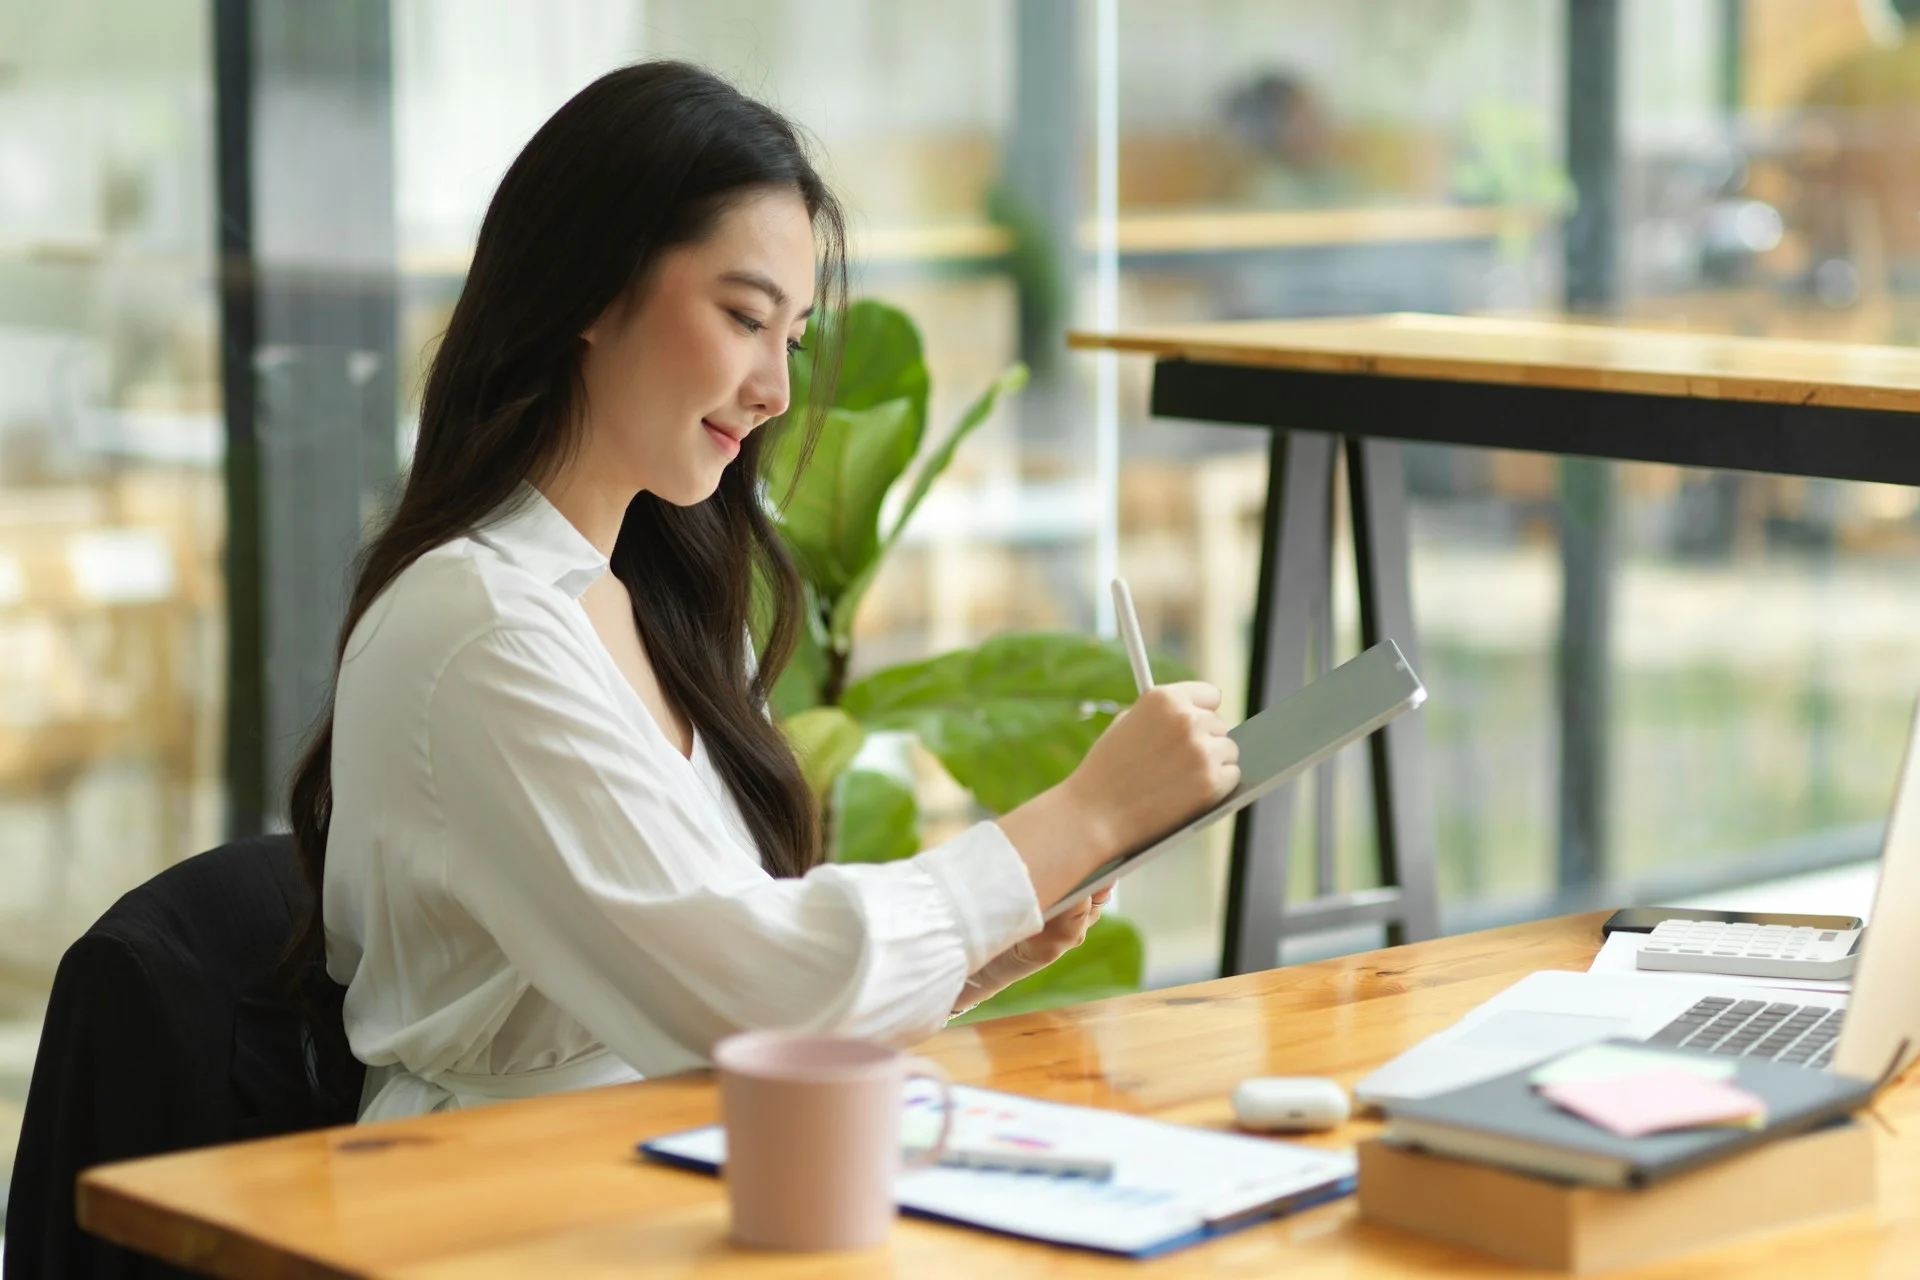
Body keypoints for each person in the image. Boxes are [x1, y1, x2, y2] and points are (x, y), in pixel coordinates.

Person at [282, 61, 1239, 1123]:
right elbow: (743, 995)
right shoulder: (478, 627)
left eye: (788, 340)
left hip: (672, 1148)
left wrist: (984, 947)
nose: (777, 391)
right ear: (596, 287)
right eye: (744, 317)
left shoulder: (663, 603)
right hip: (498, 1195)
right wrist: (1082, 814)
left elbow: (737, 967)